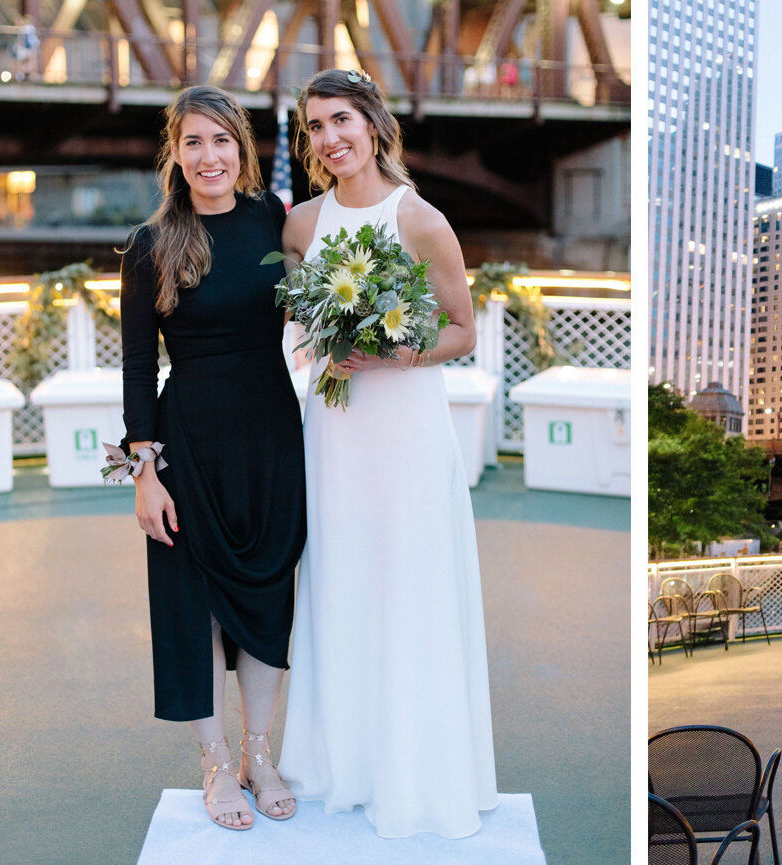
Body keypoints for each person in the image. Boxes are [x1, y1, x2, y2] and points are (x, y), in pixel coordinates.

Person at [278, 69, 498, 839]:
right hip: (335, 434)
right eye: (315, 127)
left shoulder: (423, 219)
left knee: (410, 586)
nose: (330, 138)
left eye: (341, 120)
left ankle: (416, 770)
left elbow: (463, 330)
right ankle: (346, 764)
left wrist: (395, 352)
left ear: (372, 124)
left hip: (404, 429)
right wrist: (321, 349)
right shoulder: (302, 226)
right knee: (340, 582)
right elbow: (299, 331)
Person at [119, 85, 305, 830]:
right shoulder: (151, 243)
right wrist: (145, 472)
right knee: (196, 606)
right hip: (189, 439)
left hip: (270, 436)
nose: (209, 156)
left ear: (242, 148)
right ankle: (215, 763)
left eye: (221, 140)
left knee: (266, 596)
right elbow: (137, 364)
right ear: (176, 151)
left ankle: (261, 753)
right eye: (193, 142)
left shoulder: (273, 220)